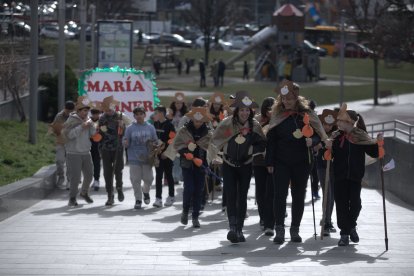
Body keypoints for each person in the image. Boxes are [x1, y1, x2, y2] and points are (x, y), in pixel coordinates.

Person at [265, 79, 329, 244]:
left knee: (298, 195)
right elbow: (271, 139)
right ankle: (279, 228)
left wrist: (313, 141)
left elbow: (318, 134)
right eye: (284, 99)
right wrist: (269, 162)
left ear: (296, 99)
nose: (286, 102)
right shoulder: (277, 114)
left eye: (290, 99)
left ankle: (295, 229)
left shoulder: (307, 114)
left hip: (302, 161)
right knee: (280, 195)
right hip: (280, 161)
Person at [208, 91, 266, 243]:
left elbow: (262, 143)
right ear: (236, 111)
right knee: (231, 195)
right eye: (241, 110)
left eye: (247, 110)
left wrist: (253, 149)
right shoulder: (227, 123)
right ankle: (232, 227)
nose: (245, 113)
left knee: (242, 196)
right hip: (228, 164)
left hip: (246, 165)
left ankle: (239, 229)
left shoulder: (255, 125)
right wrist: (215, 156)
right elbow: (215, 140)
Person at [331, 104, 382, 246]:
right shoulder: (335, 137)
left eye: (341, 121)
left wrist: (378, 144)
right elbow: (328, 155)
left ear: (349, 122)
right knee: (341, 205)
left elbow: (374, 153)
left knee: (356, 204)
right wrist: (326, 150)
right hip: (339, 176)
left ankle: (351, 226)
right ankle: (344, 234)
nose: (338, 123)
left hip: (355, 176)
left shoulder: (361, 136)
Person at [174, 107, 213, 228]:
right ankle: (185, 211)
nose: (198, 123)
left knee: (198, 191)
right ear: (192, 119)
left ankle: (195, 217)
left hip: (201, 165)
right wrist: (185, 152)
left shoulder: (208, 133)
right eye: (196, 121)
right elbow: (177, 144)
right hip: (187, 164)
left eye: (200, 121)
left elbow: (211, 148)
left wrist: (209, 161)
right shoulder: (184, 130)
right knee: (189, 188)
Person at [98, 96, 131, 206]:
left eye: (110, 110)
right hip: (106, 149)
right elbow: (98, 134)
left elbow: (129, 130)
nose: (109, 112)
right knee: (107, 173)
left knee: (118, 170)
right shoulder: (102, 118)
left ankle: (119, 188)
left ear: (114, 108)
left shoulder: (121, 117)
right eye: (106, 110)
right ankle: (110, 195)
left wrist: (123, 126)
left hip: (118, 148)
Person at [62, 96, 95, 207]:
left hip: (86, 152)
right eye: (84, 111)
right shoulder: (71, 120)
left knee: (90, 175)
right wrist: (81, 126)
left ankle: (84, 192)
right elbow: (69, 135)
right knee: (75, 178)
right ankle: (72, 198)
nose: (86, 113)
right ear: (79, 111)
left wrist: (92, 126)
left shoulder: (88, 119)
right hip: (73, 153)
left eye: (87, 111)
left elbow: (92, 134)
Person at [123, 106, 158, 210]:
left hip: (147, 158)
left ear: (144, 115)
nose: (139, 116)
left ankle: (145, 191)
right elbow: (125, 140)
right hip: (134, 157)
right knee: (135, 180)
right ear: (134, 116)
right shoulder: (130, 128)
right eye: (136, 114)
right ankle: (138, 199)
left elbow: (155, 140)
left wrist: (156, 145)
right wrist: (125, 142)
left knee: (149, 179)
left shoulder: (150, 127)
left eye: (141, 114)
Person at [253, 97, 276, 236]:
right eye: (267, 109)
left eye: (272, 109)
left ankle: (270, 223)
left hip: (273, 162)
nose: (269, 112)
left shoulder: (279, 121)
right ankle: (262, 218)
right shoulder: (257, 121)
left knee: (271, 192)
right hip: (259, 161)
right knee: (260, 192)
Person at [315, 109, 338, 236]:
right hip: (322, 167)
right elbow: (315, 147)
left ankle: (328, 219)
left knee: (332, 194)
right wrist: (320, 145)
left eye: (330, 125)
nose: (328, 127)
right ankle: (326, 221)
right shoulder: (318, 135)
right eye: (325, 124)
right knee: (327, 193)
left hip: (334, 167)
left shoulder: (336, 135)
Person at [153, 105, 176, 208]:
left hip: (167, 155)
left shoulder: (169, 125)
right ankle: (158, 198)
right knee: (158, 176)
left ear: (161, 113)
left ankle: (171, 196)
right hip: (157, 154)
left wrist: (165, 153)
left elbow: (172, 140)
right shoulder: (155, 124)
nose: (155, 115)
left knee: (168, 175)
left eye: (156, 113)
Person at [50, 100, 75, 190]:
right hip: (60, 141)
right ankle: (61, 177)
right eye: (67, 111)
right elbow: (54, 127)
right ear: (64, 108)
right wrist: (55, 129)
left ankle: (69, 181)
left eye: (70, 111)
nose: (68, 113)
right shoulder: (59, 116)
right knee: (59, 160)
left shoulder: (76, 117)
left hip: (71, 143)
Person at [168, 92, 188, 184]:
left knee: (182, 157)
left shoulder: (186, 114)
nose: (178, 105)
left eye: (180, 103)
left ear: (183, 104)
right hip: (172, 138)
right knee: (174, 158)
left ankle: (181, 176)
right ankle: (174, 177)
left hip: (182, 138)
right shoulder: (170, 113)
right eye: (176, 103)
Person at [309, 99, 320, 200]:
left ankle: (315, 191)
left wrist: (315, 143)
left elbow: (319, 133)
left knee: (315, 174)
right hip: (305, 149)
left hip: (314, 149)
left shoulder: (316, 118)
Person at [89, 102, 102, 191]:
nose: (95, 115)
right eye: (93, 113)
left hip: (98, 145)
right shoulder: (87, 121)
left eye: (97, 113)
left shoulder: (102, 121)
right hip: (87, 144)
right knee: (88, 164)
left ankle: (96, 180)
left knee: (96, 162)